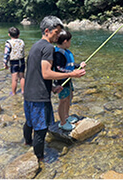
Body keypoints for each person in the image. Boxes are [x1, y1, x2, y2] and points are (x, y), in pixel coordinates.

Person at [23, 16, 86, 161]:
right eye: (56, 32)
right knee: (41, 129)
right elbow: (46, 73)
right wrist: (72, 74)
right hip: (39, 96)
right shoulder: (48, 48)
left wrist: (52, 88)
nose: (58, 36)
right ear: (47, 31)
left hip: (29, 93)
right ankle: (39, 159)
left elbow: (36, 72)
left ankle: (27, 142)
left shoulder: (35, 46)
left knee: (29, 122)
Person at [53, 30, 86, 130]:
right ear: (65, 41)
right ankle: (62, 122)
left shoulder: (65, 52)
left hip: (68, 79)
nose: (70, 43)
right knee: (63, 100)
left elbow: (69, 65)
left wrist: (79, 65)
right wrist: (71, 73)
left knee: (69, 97)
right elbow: (59, 68)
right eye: (70, 41)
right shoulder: (58, 54)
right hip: (61, 81)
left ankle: (66, 116)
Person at [3, 27, 25, 95]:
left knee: (14, 79)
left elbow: (6, 54)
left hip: (14, 62)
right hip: (22, 61)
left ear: (9, 34)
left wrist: (5, 63)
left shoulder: (8, 43)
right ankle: (23, 91)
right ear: (18, 35)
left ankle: (13, 93)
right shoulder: (21, 41)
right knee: (22, 77)